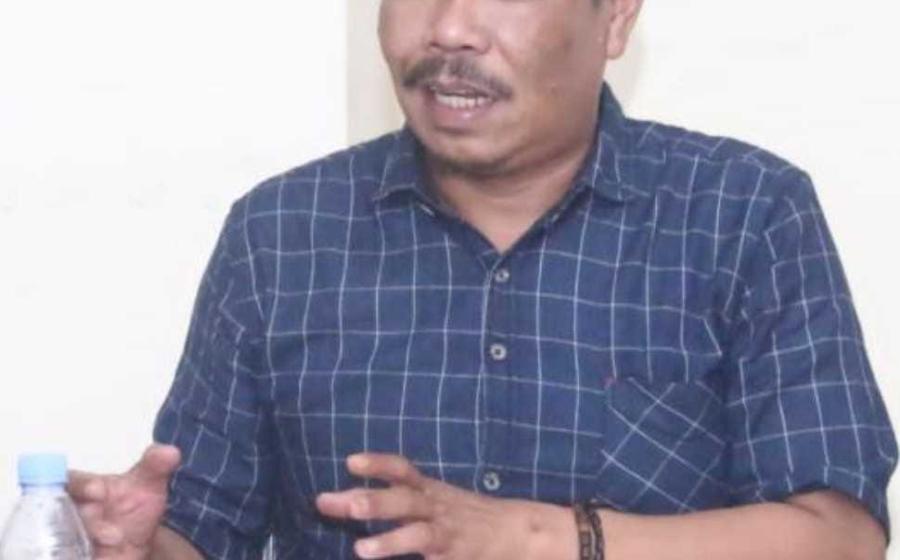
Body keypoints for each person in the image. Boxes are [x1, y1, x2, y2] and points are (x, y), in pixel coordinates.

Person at [68, 0, 897, 558]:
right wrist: (135, 548)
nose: (450, 29)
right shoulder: (280, 233)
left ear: (615, 16)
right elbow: (205, 532)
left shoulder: (742, 213)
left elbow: (839, 535)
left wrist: (540, 538)